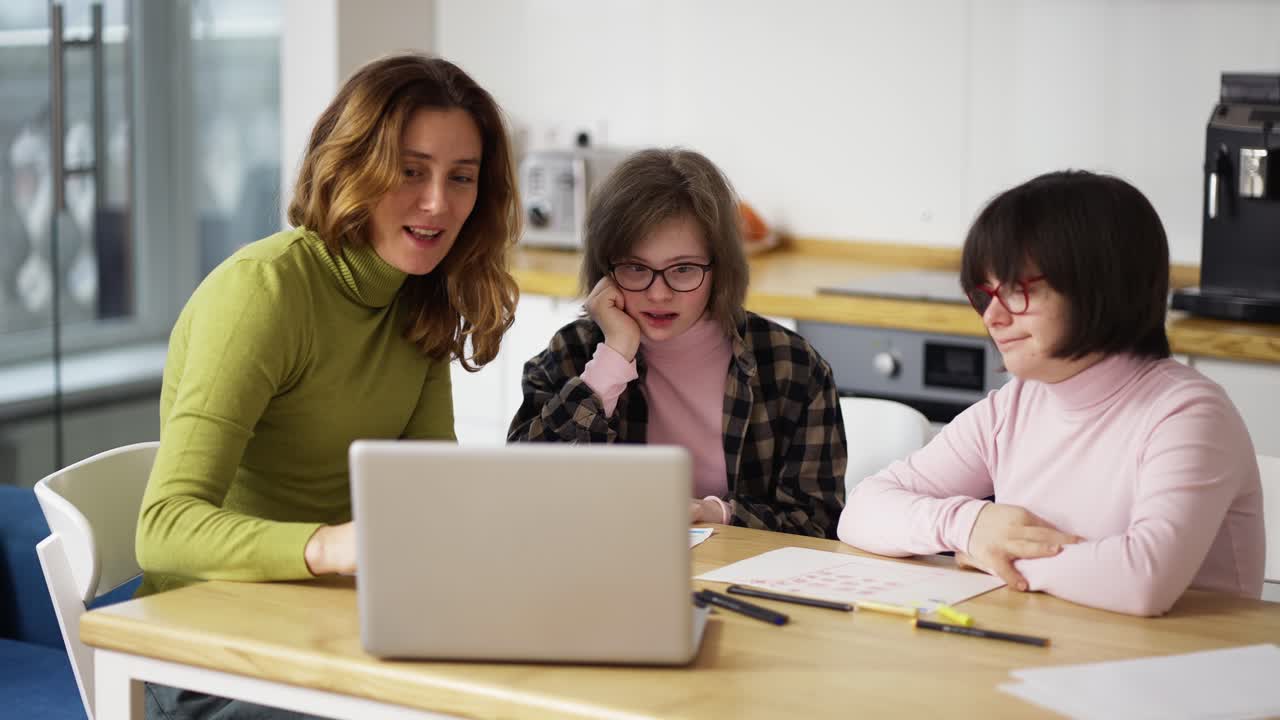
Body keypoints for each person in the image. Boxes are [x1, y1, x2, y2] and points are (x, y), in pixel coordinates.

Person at [134, 53, 519, 717]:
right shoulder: (264, 294)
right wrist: (332, 545)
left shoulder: (419, 299)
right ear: (353, 166)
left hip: (334, 631)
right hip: (210, 653)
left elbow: (429, 493)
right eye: (411, 170)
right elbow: (162, 529)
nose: (438, 203)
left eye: (462, 178)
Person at [837, 170, 1265, 616]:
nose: (994, 318)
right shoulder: (1016, 404)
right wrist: (970, 525)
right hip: (1059, 650)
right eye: (986, 295)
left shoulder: (1188, 413)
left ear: (1100, 286)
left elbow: (1144, 579)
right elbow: (862, 510)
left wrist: (996, 556)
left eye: (1020, 291)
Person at [508, 148, 846, 538]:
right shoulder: (574, 354)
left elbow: (817, 522)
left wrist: (714, 512)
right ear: (605, 269)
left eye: (683, 269)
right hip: (606, 574)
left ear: (720, 269)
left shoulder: (794, 368)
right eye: (636, 268)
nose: (659, 294)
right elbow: (525, 487)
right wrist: (612, 361)